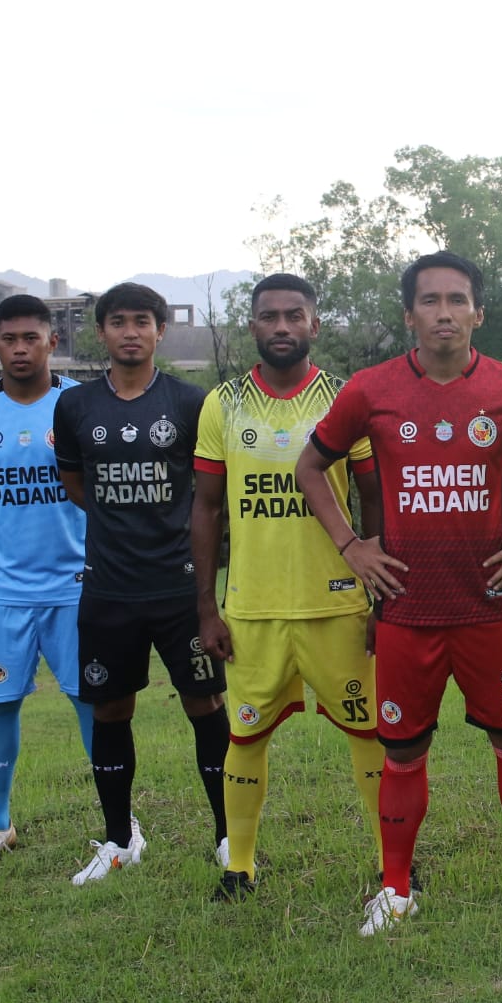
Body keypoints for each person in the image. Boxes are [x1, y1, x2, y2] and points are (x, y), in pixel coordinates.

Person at [296, 251, 502, 936]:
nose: (443, 313)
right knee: (402, 754)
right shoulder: (371, 389)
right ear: (409, 314)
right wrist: (353, 546)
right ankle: (396, 889)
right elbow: (310, 466)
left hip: (488, 607)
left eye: (457, 300)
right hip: (407, 612)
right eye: (430, 301)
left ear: (478, 311)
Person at [192, 273, 386, 902]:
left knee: (368, 732)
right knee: (244, 735)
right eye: (269, 316)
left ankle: (393, 865)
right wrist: (207, 607)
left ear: (314, 325)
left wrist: (380, 594)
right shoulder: (222, 404)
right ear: (252, 325)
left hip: (337, 603)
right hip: (253, 609)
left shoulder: (345, 398)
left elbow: (375, 497)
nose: (282, 326)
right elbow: (206, 510)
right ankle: (239, 867)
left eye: (294, 316)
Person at [53, 282, 227, 884]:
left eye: (142, 321)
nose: (131, 331)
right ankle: (119, 839)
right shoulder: (75, 407)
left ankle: (230, 834)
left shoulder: (191, 403)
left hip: (181, 588)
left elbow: (211, 496)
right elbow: (78, 486)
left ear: (159, 331)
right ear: (100, 332)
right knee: (109, 708)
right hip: (108, 589)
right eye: (118, 321)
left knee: (204, 703)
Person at [0, 294, 92, 871]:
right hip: (3, 592)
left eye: (31, 337)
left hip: (76, 584)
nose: (20, 348)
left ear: (52, 342)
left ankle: (118, 820)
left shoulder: (80, 405)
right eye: (9, 339)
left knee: (93, 701)